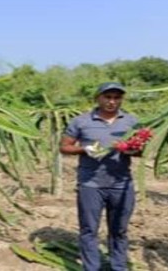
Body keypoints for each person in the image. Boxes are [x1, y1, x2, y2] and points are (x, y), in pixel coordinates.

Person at [59, 82, 138, 271]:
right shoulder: (81, 121)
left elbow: (142, 149)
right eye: (107, 97)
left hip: (121, 183)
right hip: (90, 184)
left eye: (116, 97)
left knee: (119, 230)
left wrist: (130, 150)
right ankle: (91, 268)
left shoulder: (132, 121)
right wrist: (84, 149)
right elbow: (64, 146)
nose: (112, 101)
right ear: (98, 98)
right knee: (89, 230)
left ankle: (119, 267)